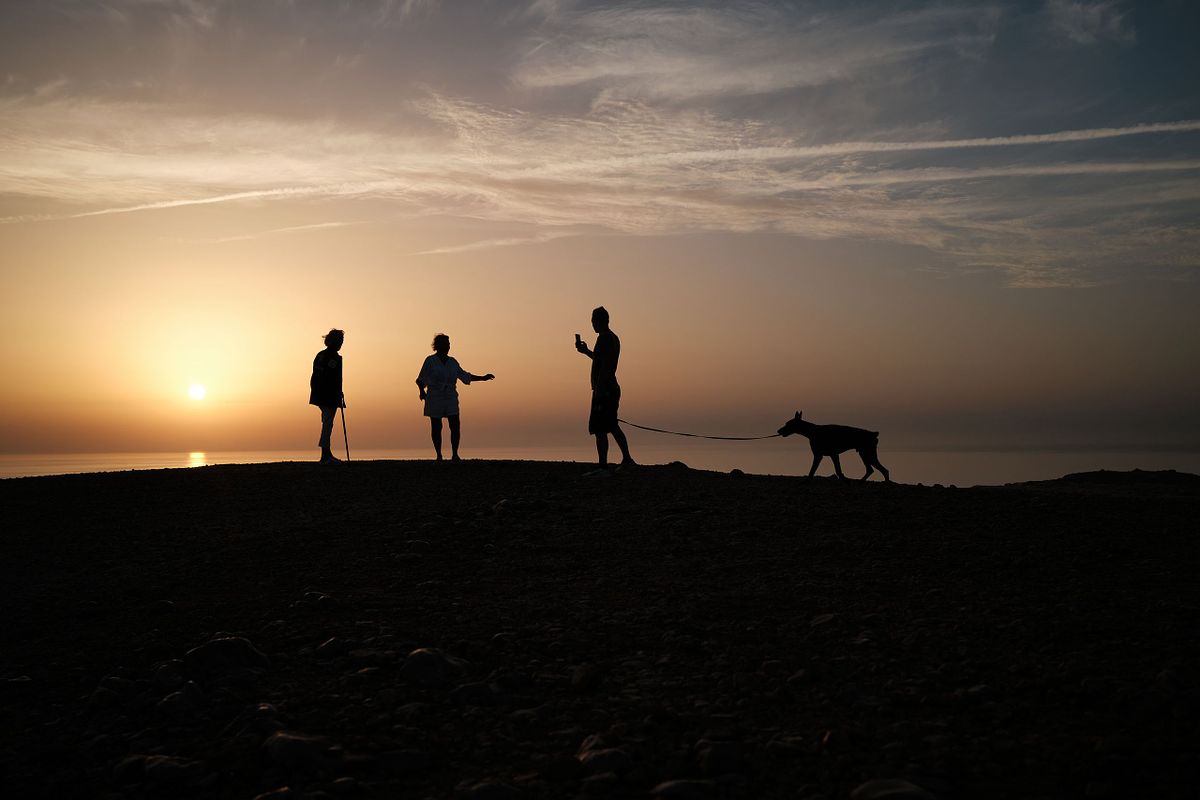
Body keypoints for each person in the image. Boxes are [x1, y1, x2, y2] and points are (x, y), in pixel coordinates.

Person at [415, 333, 494, 461]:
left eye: (449, 344)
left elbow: (464, 376)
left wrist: (482, 378)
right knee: (436, 426)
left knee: (455, 425)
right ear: (438, 346)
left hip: (451, 396)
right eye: (445, 344)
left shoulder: (453, 362)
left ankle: (455, 454)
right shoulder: (430, 361)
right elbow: (420, 379)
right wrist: (421, 391)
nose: (448, 346)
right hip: (435, 396)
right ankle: (439, 455)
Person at [575, 306, 634, 474]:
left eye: (593, 321)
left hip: (605, 389)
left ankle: (603, 466)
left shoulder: (605, 338)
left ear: (598, 321)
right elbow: (601, 360)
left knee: (600, 428)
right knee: (612, 425)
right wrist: (586, 352)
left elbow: (606, 366)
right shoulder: (611, 337)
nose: (592, 325)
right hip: (610, 387)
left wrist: (600, 389)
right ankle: (627, 459)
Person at [309, 328, 345, 464]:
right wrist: (337, 392)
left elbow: (316, 376)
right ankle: (325, 455)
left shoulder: (320, 355)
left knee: (326, 422)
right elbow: (331, 378)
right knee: (328, 423)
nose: (341, 344)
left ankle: (326, 453)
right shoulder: (333, 357)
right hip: (328, 395)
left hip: (319, 394)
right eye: (340, 341)